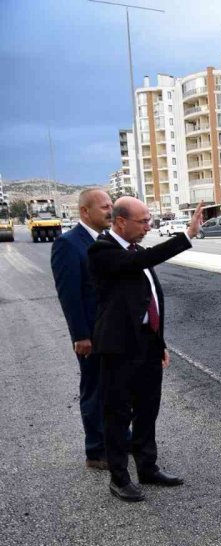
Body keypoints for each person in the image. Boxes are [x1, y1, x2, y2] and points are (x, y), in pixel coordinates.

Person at [88, 197, 204, 502]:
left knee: (147, 409)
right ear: (121, 222)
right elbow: (139, 264)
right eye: (144, 222)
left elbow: (151, 300)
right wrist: (187, 234)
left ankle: (147, 467)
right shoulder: (103, 251)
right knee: (117, 413)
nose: (148, 226)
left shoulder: (136, 251)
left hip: (147, 343)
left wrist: (160, 342)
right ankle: (119, 478)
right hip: (119, 347)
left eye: (149, 221)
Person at [50, 189, 114, 469]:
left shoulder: (107, 241)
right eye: (104, 207)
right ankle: (96, 451)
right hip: (91, 335)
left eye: (111, 205)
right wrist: (80, 335)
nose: (110, 211)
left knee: (114, 390)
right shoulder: (68, 244)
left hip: (113, 332)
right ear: (85, 212)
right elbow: (70, 294)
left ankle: (117, 439)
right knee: (95, 390)